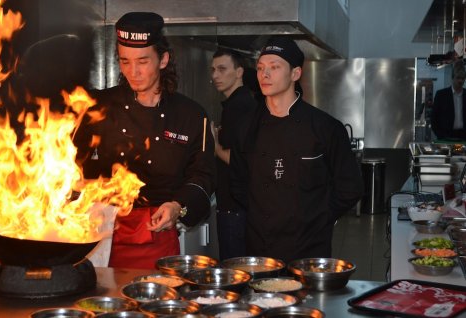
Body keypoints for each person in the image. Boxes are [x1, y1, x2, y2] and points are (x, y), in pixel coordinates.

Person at [74, 12, 215, 269]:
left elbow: (203, 175)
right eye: (125, 62)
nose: (133, 72)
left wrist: (177, 206)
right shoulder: (98, 107)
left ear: (163, 59)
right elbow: (69, 163)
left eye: (142, 61)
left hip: (157, 232)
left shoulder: (191, 115)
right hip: (102, 233)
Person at [229, 36, 363, 263]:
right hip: (260, 245)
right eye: (261, 68)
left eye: (274, 67)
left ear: (295, 74)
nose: (265, 74)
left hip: (309, 247)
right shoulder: (246, 126)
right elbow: (238, 182)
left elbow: (350, 188)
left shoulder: (325, 127)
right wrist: (260, 217)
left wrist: (317, 218)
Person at [210, 49, 257, 260]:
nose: (215, 76)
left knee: (235, 270)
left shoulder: (240, 106)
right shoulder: (238, 103)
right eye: (213, 70)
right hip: (237, 204)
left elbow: (240, 159)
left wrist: (214, 145)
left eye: (222, 69)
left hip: (234, 206)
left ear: (239, 72)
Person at [431, 63, 466, 140]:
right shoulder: (441, 95)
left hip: (464, 136)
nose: (460, 81)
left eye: (463, 78)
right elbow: (433, 119)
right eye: (458, 78)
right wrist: (440, 135)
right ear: (452, 78)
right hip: (446, 136)